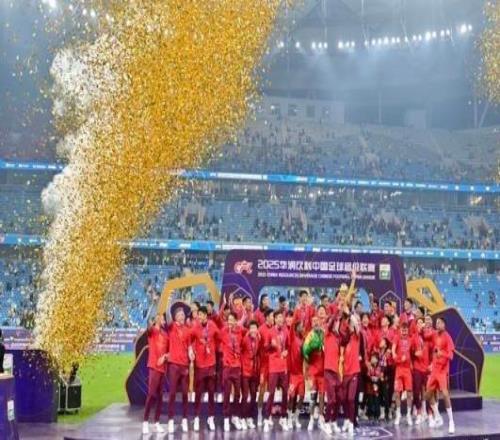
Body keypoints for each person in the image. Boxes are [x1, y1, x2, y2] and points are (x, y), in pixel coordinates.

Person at [189, 306, 220, 432]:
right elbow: (189, 339)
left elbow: (220, 337)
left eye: (201, 314)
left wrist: (213, 348)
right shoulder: (195, 326)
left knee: (211, 392)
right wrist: (191, 349)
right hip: (200, 365)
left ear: (206, 315)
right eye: (198, 315)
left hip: (211, 364)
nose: (199, 317)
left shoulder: (212, 325)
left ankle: (211, 418)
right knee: (199, 393)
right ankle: (196, 417)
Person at [426, 317, 455, 434]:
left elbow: (451, 355)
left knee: (445, 393)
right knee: (428, 394)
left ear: (444, 325)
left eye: (439, 323)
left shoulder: (447, 337)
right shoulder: (434, 334)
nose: (437, 324)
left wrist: (441, 353)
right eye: (436, 323)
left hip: (442, 371)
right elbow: (426, 336)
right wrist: (425, 325)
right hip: (434, 370)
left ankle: (451, 422)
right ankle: (437, 416)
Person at [263, 310, 290, 432]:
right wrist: (271, 346)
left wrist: (286, 352)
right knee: (271, 393)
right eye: (278, 317)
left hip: (283, 366)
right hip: (273, 367)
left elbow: (288, 346)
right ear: (274, 319)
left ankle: (283, 418)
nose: (280, 319)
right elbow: (265, 348)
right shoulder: (270, 332)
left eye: (281, 317)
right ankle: (267, 418)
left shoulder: (286, 331)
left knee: (285, 393)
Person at [166, 307, 192, 433]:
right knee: (172, 393)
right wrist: (168, 303)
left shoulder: (187, 330)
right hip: (174, 365)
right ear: (175, 317)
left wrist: (191, 353)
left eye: (183, 315)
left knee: (185, 394)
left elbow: (189, 346)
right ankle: (170, 420)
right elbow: (167, 316)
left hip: (184, 366)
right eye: (180, 315)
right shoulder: (172, 327)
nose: (182, 316)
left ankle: (185, 419)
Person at [142, 314, 168, 435]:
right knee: (151, 394)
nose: (164, 321)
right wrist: (152, 321)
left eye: (163, 319)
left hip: (163, 369)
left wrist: (164, 357)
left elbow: (169, 352)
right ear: (157, 320)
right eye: (162, 319)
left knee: (160, 396)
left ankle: (157, 422)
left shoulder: (165, 335)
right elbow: (148, 326)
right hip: (154, 367)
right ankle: (145, 422)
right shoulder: (152, 331)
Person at [220, 312, 244, 432]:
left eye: (231, 320)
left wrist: (257, 333)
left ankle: (235, 416)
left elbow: (250, 332)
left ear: (235, 321)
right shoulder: (223, 331)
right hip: (227, 367)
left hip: (237, 366)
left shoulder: (240, 331)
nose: (229, 322)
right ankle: (226, 418)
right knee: (227, 393)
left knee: (237, 394)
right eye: (228, 320)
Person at [340, 312, 361, 436]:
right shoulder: (343, 339)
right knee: (343, 399)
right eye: (349, 325)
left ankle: (352, 423)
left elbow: (357, 326)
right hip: (344, 373)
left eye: (352, 324)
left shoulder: (356, 336)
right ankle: (347, 419)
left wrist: (350, 313)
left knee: (351, 398)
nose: (351, 326)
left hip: (354, 372)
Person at [305, 315, 327, 433]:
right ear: (311, 323)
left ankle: (321, 418)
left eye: (317, 321)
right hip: (313, 371)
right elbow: (305, 353)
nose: (316, 323)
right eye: (313, 321)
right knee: (313, 397)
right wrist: (306, 370)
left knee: (322, 395)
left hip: (323, 370)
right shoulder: (309, 336)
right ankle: (311, 419)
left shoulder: (324, 334)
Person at [240, 320, 261, 429]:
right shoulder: (244, 340)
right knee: (245, 395)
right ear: (248, 330)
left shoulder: (258, 339)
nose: (253, 330)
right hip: (245, 371)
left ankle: (249, 417)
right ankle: (242, 417)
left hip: (254, 371)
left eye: (255, 328)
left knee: (253, 395)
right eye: (251, 328)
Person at [392, 322, 413, 426]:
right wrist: (398, 358)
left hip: (407, 370)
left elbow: (414, 351)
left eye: (406, 329)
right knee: (397, 393)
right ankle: (398, 414)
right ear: (400, 330)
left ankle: (408, 414)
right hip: (399, 369)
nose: (404, 331)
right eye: (402, 329)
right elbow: (393, 351)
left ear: (408, 330)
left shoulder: (410, 339)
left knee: (409, 393)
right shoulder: (397, 338)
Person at [324, 316, 342, 434]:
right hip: (328, 371)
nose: (336, 324)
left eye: (337, 323)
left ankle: (334, 421)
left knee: (339, 398)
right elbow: (330, 324)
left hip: (336, 372)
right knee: (331, 400)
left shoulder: (338, 337)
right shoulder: (327, 334)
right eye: (335, 322)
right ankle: (326, 423)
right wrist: (337, 313)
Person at [411, 317, 431, 424]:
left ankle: (428, 413)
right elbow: (410, 352)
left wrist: (432, 364)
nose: (420, 325)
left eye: (421, 323)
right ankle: (419, 413)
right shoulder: (414, 337)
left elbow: (433, 350)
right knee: (416, 392)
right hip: (417, 368)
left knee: (427, 392)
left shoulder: (428, 336)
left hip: (426, 368)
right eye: (418, 323)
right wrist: (415, 354)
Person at [257, 309, 274, 426]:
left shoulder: (275, 329)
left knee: (271, 391)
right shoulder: (260, 330)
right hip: (263, 365)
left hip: (273, 365)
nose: (273, 318)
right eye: (272, 316)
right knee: (262, 390)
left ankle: (269, 415)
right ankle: (259, 414)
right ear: (267, 317)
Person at [287, 321, 305, 430]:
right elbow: (292, 325)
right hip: (293, 375)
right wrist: (297, 313)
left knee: (302, 396)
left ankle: (295, 418)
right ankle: (289, 418)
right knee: (291, 397)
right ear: (297, 328)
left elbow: (305, 355)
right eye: (301, 326)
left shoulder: (303, 340)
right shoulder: (293, 338)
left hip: (300, 374)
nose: (303, 328)